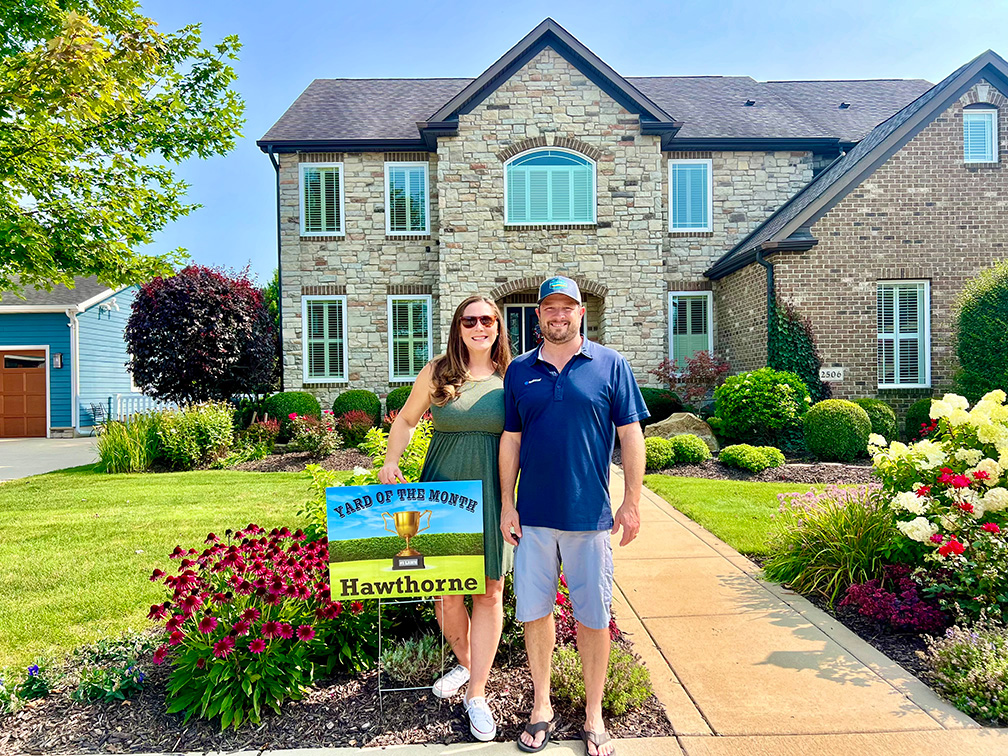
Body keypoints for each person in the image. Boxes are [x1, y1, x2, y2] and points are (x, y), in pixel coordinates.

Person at [499, 276, 648, 756]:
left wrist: (632, 501)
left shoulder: (610, 364)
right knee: (536, 612)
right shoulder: (520, 371)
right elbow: (511, 440)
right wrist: (507, 501)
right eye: (549, 308)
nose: (558, 316)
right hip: (534, 517)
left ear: (581, 312)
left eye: (567, 307)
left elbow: (630, 436)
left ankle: (593, 713)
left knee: (593, 616)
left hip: (590, 516)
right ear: (538, 315)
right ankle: (541, 705)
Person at [379, 294, 513, 742]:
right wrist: (389, 461)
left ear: (498, 326)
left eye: (487, 320)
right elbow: (406, 420)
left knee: (490, 591)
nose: (479, 327)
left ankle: (476, 694)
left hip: (494, 496)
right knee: (448, 593)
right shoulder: (438, 372)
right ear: (458, 327)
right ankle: (467, 663)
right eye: (469, 320)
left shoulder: (512, 376)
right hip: (442, 495)